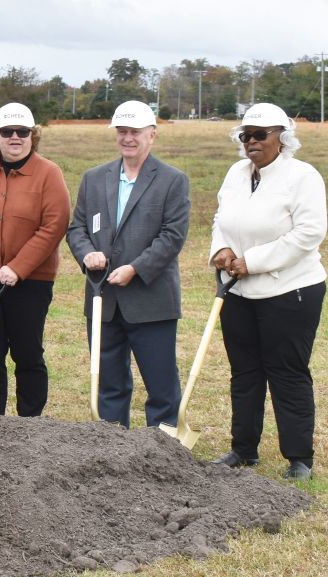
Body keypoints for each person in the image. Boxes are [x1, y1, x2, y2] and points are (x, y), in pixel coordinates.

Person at [209, 103, 325, 481]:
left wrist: (253, 261)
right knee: (244, 372)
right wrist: (221, 249)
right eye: (246, 135)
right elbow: (221, 218)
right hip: (238, 292)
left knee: (286, 371)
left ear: (283, 137)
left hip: (290, 290)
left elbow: (309, 234)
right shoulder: (236, 173)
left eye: (261, 135)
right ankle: (244, 449)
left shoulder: (302, 176)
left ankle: (299, 458)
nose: (252, 142)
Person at [66, 100, 190, 428]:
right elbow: (77, 227)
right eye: (122, 131)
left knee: (161, 386)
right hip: (102, 300)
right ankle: (112, 451)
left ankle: (163, 453)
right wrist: (86, 254)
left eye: (135, 132)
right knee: (109, 385)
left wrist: (136, 268)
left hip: (151, 301)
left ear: (152, 135)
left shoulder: (172, 180)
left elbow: (172, 236)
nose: (128, 138)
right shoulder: (94, 178)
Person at [0, 102, 70, 416]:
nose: (14, 138)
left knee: (27, 353)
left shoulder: (49, 174)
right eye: (7, 132)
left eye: (22, 132)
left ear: (33, 136)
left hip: (31, 282)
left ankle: (29, 424)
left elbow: (54, 225)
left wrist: (17, 268)